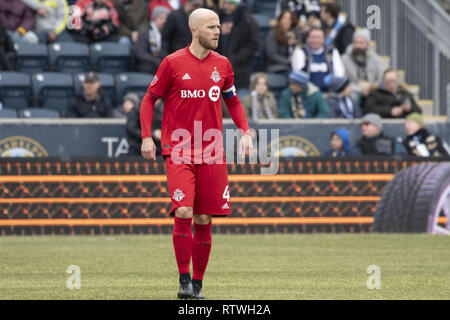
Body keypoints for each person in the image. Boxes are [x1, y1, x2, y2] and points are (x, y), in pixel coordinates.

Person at [140, 8, 253, 299]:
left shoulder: (224, 65)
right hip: (178, 150)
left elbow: (234, 102)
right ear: (195, 30)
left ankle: (198, 286)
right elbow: (149, 100)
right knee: (184, 211)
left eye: (218, 26)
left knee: (203, 218)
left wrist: (245, 132)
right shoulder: (173, 63)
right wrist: (146, 138)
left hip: (212, 152)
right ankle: (183, 281)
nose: (218, 31)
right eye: (212, 27)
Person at [217, 0, 259, 89]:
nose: (226, 6)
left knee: (237, 100)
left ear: (237, 5)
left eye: (230, 3)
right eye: (225, 3)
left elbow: (253, 45)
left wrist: (235, 59)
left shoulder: (248, 21)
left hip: (240, 71)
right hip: (219, 68)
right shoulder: (219, 18)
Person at [291, 27, 345, 92]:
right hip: (308, 92)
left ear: (324, 39)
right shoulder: (300, 51)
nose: (316, 40)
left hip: (330, 92)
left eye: (319, 37)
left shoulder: (332, 51)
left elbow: (339, 73)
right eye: (313, 37)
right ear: (308, 39)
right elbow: (298, 74)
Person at [341, 28, 384, 109]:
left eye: (361, 43)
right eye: (356, 43)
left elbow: (381, 79)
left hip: (372, 90)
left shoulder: (375, 59)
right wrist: (360, 89)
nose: (358, 46)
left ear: (367, 44)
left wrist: (371, 88)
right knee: (353, 97)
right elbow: (343, 80)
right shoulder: (345, 59)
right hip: (353, 90)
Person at [134, 5, 170, 74]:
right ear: (154, 19)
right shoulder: (145, 31)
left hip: (162, 62)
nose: (164, 21)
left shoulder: (166, 32)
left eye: (166, 19)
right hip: (147, 64)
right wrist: (156, 61)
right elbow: (141, 53)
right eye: (161, 18)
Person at [265, 9, 302, 75]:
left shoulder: (296, 34)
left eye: (289, 19)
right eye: (284, 18)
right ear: (280, 20)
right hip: (278, 67)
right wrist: (289, 62)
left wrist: (295, 44)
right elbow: (272, 55)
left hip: (295, 66)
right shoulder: (273, 33)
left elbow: (299, 50)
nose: (286, 21)